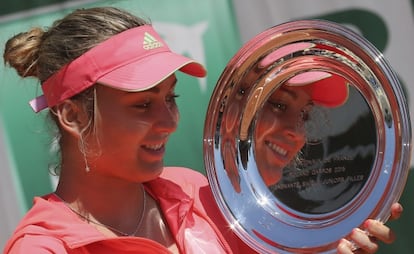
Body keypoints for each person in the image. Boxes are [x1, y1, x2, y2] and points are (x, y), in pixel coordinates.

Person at [2, 6, 402, 254]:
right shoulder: (44, 248)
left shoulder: (196, 192)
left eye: (171, 99)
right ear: (72, 116)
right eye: (142, 104)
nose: (169, 121)